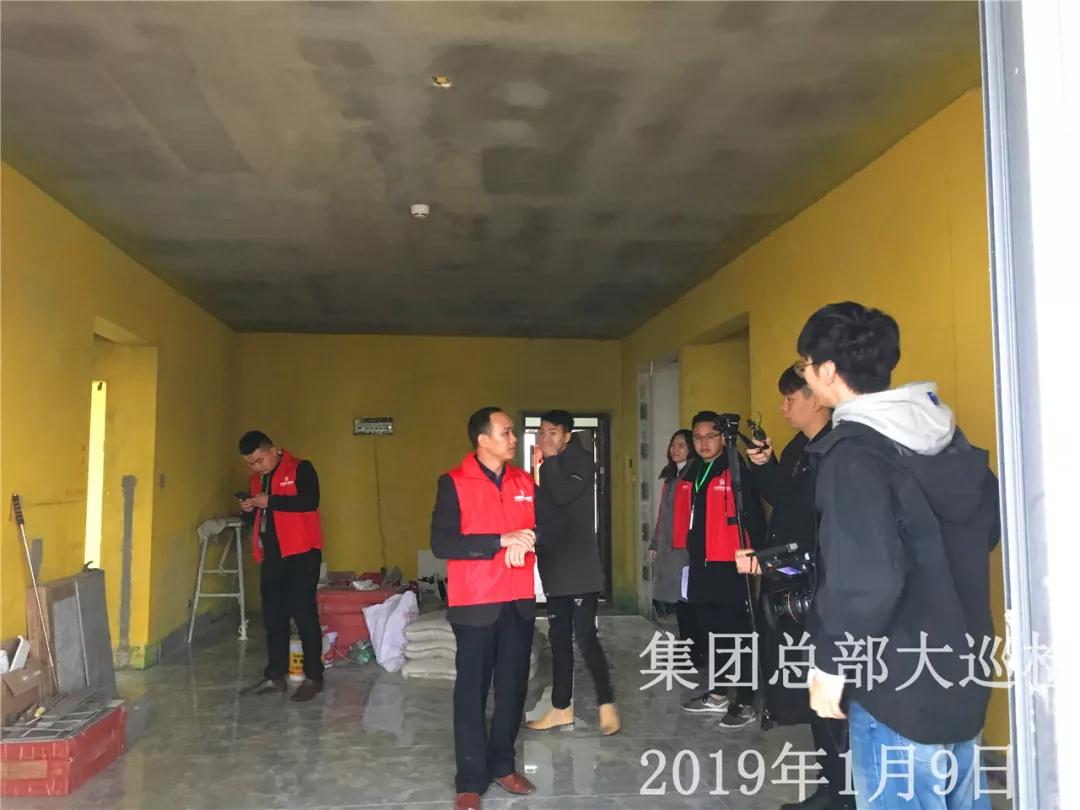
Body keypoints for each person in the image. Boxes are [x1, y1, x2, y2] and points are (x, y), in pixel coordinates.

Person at [797, 302, 999, 810]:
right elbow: (989, 529)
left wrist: (830, 665)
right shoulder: (949, 439)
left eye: (805, 366)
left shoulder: (854, 454)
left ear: (827, 371)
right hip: (962, 672)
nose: (805, 376)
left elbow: (867, 578)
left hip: (895, 687)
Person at [738, 366, 852, 810]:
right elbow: (785, 502)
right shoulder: (799, 448)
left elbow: (820, 526)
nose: (784, 408)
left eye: (791, 399)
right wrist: (764, 466)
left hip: (826, 588)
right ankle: (831, 789)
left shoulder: (839, 450)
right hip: (796, 587)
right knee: (815, 693)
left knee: (837, 697)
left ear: (817, 399)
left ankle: (845, 794)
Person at [430, 407, 538, 810]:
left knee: (513, 687)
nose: (513, 438)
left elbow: (544, 527)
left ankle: (503, 765)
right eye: (506, 432)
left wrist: (529, 538)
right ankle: (470, 779)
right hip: (475, 602)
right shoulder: (454, 483)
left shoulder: (524, 481)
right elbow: (443, 543)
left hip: (518, 599)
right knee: (471, 691)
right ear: (483, 439)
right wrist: (499, 541)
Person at [526, 410, 620, 736]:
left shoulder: (582, 462)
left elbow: (563, 495)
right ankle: (561, 708)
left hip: (579, 567)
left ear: (567, 436)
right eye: (542, 432)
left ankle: (607, 703)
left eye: (553, 432)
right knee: (558, 639)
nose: (545, 438)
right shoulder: (546, 465)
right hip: (554, 564)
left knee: (585, 636)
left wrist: (549, 460)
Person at [678, 410, 766, 729]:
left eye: (711, 436)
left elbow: (753, 513)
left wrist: (757, 556)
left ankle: (745, 699)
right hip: (701, 562)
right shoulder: (695, 470)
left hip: (730, 563)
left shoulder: (734, 469)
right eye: (697, 437)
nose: (703, 443)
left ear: (722, 438)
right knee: (711, 631)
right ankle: (718, 692)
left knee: (736, 632)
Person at [236, 431, 325, 702]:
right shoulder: (256, 481)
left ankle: (314, 677)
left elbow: (310, 501)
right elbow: (259, 518)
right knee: (273, 617)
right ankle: (275, 675)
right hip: (273, 555)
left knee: (304, 614)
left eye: (259, 460)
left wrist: (271, 501)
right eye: (251, 463)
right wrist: (249, 510)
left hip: (302, 554)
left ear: (273, 450)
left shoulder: (300, 468)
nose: (256, 467)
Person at [648, 429, 700, 658]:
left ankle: (694, 648)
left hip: (686, 548)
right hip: (670, 546)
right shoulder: (671, 478)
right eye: (673, 445)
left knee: (688, 597)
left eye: (681, 445)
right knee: (679, 599)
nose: (675, 450)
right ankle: (686, 644)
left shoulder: (694, 475)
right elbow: (663, 515)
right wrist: (655, 543)